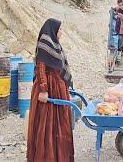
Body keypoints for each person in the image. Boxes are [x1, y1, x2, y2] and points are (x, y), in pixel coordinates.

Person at [26, 18, 74, 162]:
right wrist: (43, 90)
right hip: (47, 89)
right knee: (46, 124)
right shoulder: (45, 44)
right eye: (60, 29)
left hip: (58, 87)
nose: (61, 32)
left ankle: (60, 156)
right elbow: (41, 67)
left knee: (60, 123)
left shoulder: (55, 44)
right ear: (53, 30)